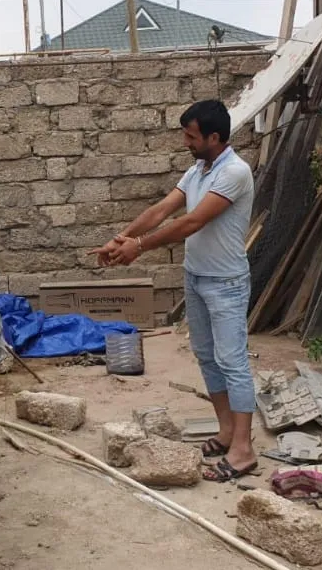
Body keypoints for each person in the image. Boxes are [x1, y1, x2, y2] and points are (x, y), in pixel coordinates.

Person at [90, 99, 256, 482]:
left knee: (232, 360)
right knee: (207, 356)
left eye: (191, 135)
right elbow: (161, 210)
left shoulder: (235, 172)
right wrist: (122, 239)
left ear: (215, 137)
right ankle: (227, 431)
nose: (185, 142)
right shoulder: (199, 169)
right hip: (196, 277)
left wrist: (140, 248)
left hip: (226, 282)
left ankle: (244, 450)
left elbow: (192, 222)